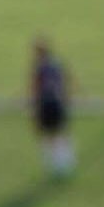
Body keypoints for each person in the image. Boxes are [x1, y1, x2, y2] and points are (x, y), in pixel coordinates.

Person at [30, 37, 76, 177]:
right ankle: (65, 165)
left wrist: (33, 106)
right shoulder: (56, 64)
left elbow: (35, 88)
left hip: (45, 104)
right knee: (61, 133)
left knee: (47, 135)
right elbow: (66, 80)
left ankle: (52, 165)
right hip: (58, 102)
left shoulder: (39, 68)